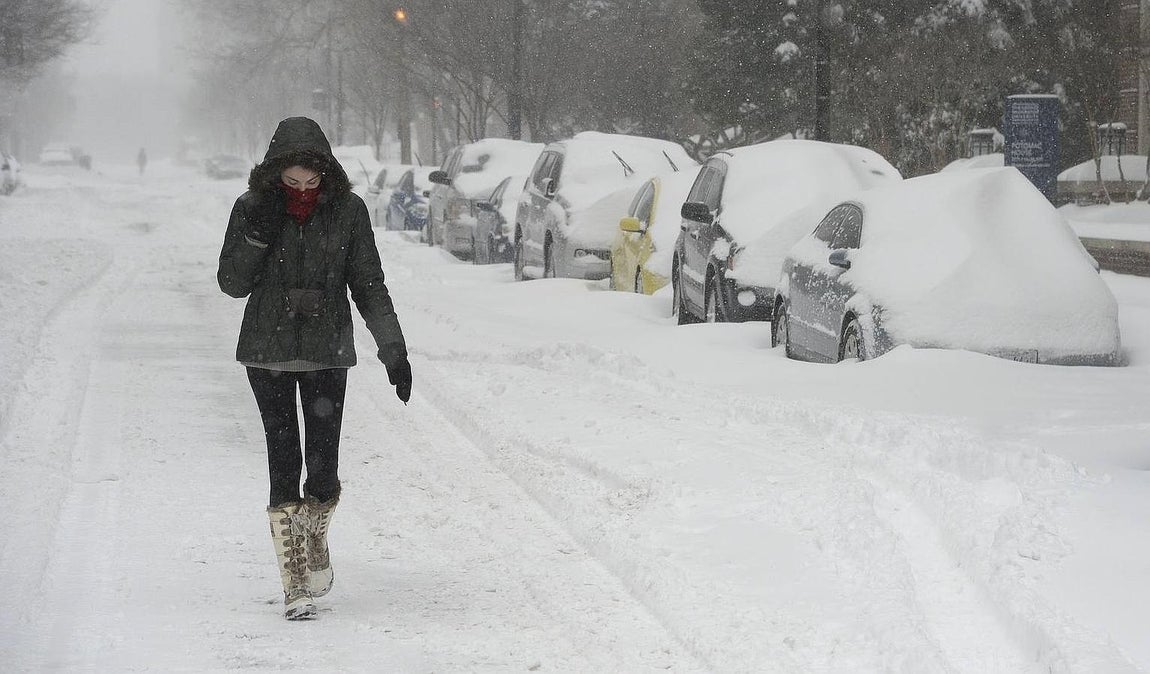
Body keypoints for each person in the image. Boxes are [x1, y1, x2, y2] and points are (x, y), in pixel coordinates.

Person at [216, 116, 412, 620]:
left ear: (326, 172)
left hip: (327, 350)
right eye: (291, 181)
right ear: (274, 174)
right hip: (268, 351)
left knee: (322, 469)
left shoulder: (348, 210)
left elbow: (368, 283)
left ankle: (315, 529)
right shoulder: (251, 208)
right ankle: (295, 582)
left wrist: (392, 348)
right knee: (283, 458)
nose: (302, 190)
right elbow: (231, 284)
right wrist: (257, 238)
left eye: (311, 181)